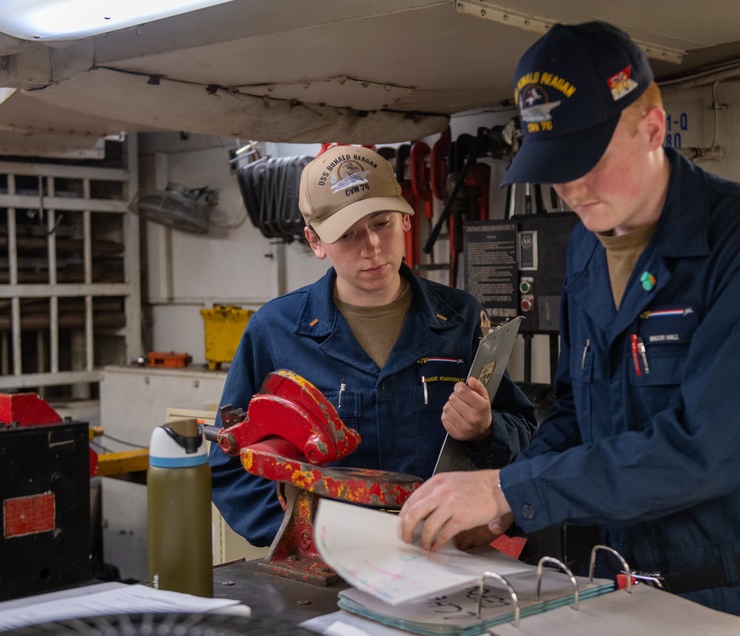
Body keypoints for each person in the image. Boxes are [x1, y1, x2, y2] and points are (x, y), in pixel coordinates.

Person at [398, 21, 740, 636]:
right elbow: (577, 414)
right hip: (623, 590)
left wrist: (507, 488)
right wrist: (504, 508)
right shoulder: (585, 247)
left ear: (653, 128)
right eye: (555, 167)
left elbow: (705, 450)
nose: (572, 188)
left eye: (588, 162)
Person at [209, 144, 539, 547]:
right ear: (315, 242)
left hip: (444, 556)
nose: (372, 248)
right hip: (329, 568)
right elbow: (230, 465)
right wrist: (306, 537)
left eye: (381, 223)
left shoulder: (460, 319)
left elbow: (526, 435)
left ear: (404, 218)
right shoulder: (276, 331)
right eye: (347, 235)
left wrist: (486, 431)